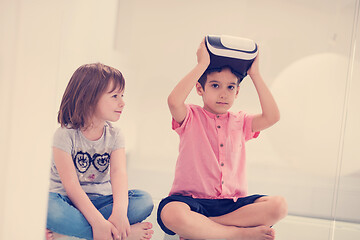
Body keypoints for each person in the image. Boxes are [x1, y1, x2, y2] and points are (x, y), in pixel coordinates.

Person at [157, 39, 287, 240]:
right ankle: (237, 234)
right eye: (215, 85)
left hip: (232, 205)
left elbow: (273, 117)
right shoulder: (190, 116)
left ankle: (202, 228)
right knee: (170, 213)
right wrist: (202, 65)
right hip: (191, 202)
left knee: (279, 206)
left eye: (230, 88)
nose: (223, 94)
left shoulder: (241, 122)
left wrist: (255, 74)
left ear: (237, 92)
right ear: (200, 89)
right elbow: (174, 101)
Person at [46, 63, 154, 240]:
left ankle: (70, 232)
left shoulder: (115, 135)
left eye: (122, 95)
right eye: (114, 96)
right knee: (48, 207)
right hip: (67, 201)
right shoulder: (64, 135)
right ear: (89, 98)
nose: (122, 103)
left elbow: (119, 174)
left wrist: (119, 212)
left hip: (101, 202)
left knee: (143, 200)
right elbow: (71, 186)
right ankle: (117, 234)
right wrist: (98, 223)